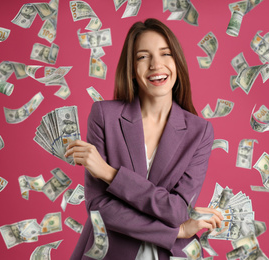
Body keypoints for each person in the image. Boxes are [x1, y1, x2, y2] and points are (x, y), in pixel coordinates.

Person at [67, 18, 223, 259]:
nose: (156, 65)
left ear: (177, 62)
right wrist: (174, 231)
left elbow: (177, 210)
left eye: (165, 54)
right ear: (131, 68)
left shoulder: (199, 131)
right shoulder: (104, 116)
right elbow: (98, 207)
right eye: (142, 57)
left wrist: (110, 174)